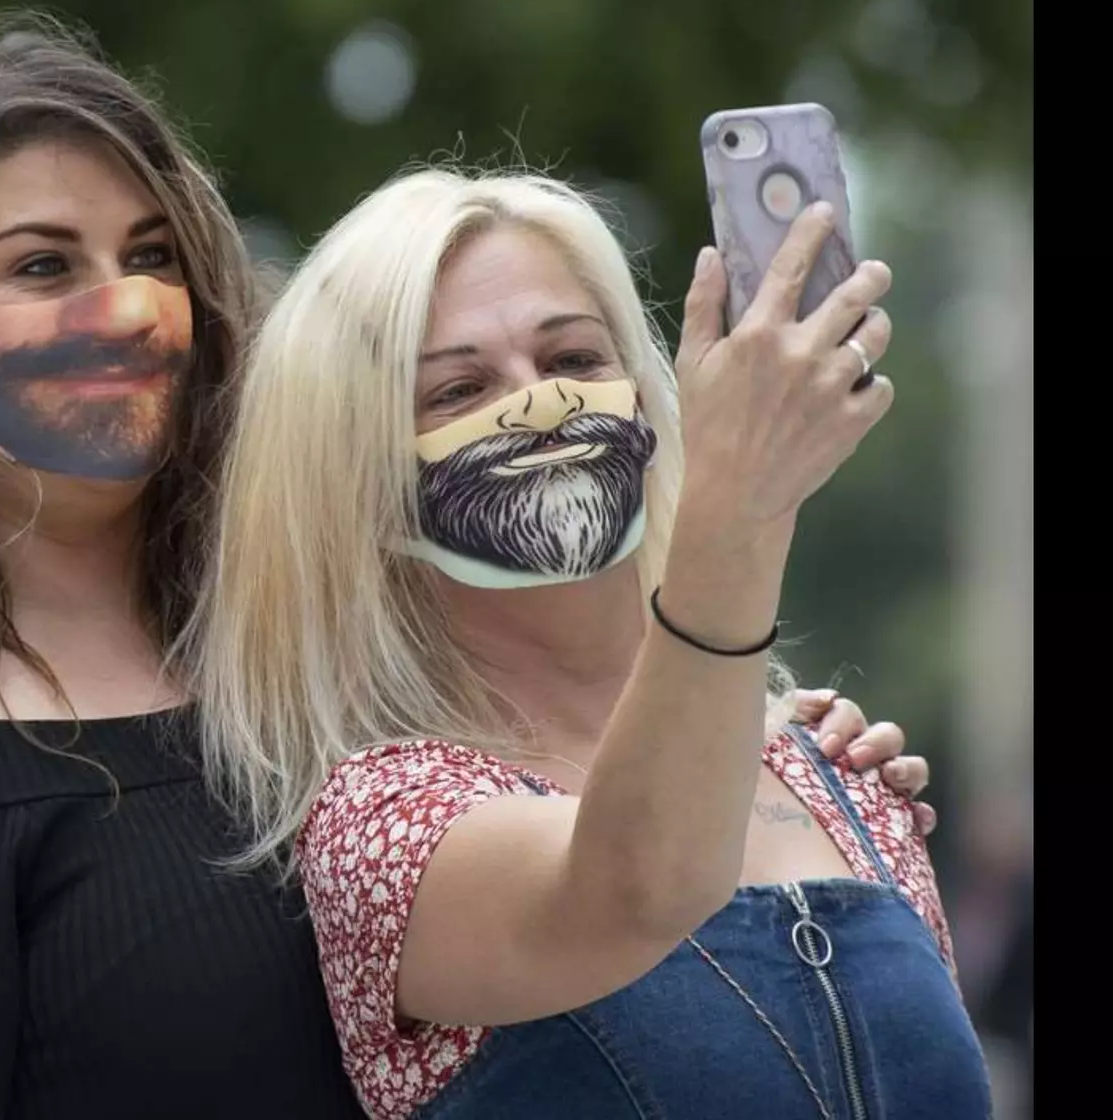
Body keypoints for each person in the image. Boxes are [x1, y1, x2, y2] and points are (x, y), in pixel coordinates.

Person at [0, 15, 934, 1118]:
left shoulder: (293, 704)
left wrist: (754, 741)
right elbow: (620, 882)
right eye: (43, 265)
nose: (122, 307)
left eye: (151, 253)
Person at [187, 166, 991, 1118]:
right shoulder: (380, 820)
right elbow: (637, 885)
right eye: (459, 388)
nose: (540, 405)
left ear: (645, 397)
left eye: (571, 359)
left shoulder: (834, 770)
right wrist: (737, 508)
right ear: (356, 480)